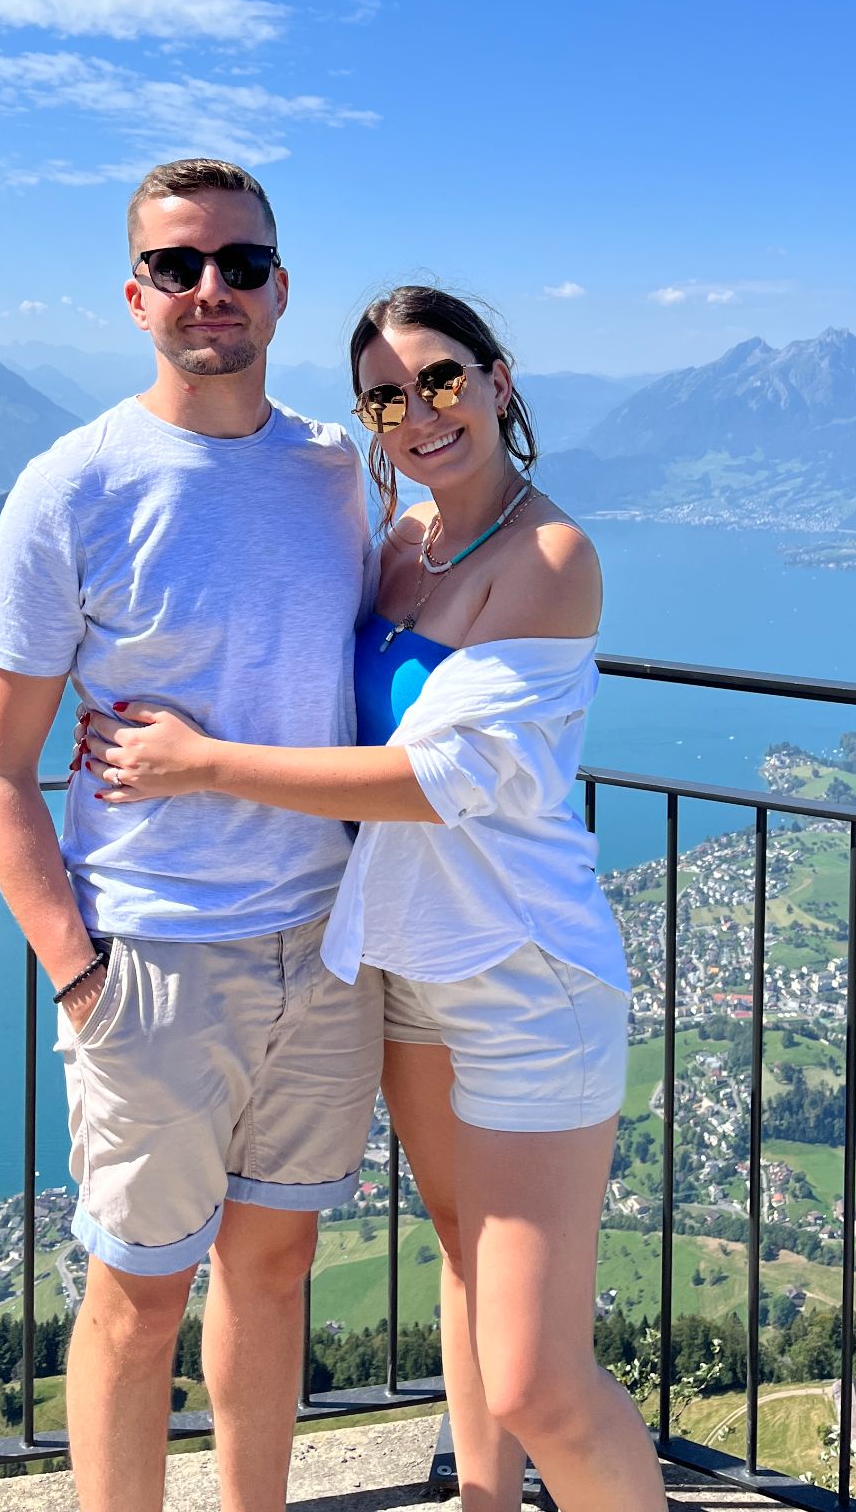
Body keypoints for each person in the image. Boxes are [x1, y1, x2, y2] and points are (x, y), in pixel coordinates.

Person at [79, 286, 668, 1512]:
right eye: (387, 396)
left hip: (521, 979)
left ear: (499, 381)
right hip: (403, 966)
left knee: (538, 1382)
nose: (417, 412)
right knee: (460, 1261)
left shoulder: (552, 558)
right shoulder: (401, 548)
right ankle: (484, 1504)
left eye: (443, 380)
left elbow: (434, 779)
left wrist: (198, 763)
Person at [0, 159, 381, 1512]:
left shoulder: (333, 471)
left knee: (273, 1272)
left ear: (280, 288)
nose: (214, 290)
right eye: (184, 266)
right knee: (137, 1304)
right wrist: (77, 971)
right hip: (151, 960)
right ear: (135, 292)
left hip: (324, 945)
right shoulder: (70, 487)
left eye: (241, 265)